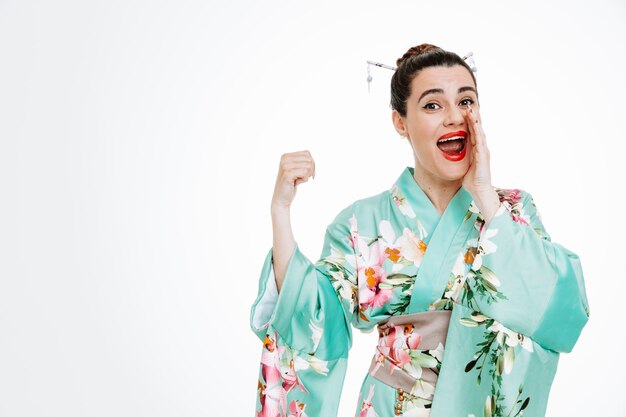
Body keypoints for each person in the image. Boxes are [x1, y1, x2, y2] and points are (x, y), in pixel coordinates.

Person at [249, 43, 589, 417]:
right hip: (392, 406)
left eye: (466, 102)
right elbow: (310, 316)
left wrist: (485, 196)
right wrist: (280, 211)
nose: (454, 117)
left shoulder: (510, 209)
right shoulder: (361, 222)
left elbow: (560, 309)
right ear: (400, 122)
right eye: (432, 105)